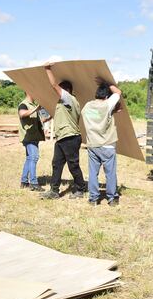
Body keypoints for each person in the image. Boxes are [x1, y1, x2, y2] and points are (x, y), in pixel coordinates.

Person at [41, 62, 88, 199]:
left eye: (61, 90)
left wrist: (47, 69)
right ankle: (54, 191)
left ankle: (80, 189)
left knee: (73, 165)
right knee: (56, 164)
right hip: (62, 137)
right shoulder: (64, 103)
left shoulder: (69, 98)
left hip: (70, 137)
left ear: (66, 90)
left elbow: (54, 85)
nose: (57, 92)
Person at [82, 78, 122, 206]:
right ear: (106, 96)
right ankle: (111, 199)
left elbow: (97, 116)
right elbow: (118, 92)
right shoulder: (107, 104)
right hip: (107, 144)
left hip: (93, 144)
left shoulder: (87, 106)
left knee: (93, 173)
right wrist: (108, 83)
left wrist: (112, 113)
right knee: (110, 173)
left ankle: (93, 199)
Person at [18, 91, 49, 191]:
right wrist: (36, 109)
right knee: (34, 157)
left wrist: (50, 116)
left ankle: (24, 181)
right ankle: (34, 183)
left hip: (34, 137)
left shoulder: (33, 105)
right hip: (29, 137)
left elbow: (39, 120)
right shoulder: (24, 104)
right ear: (29, 92)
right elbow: (22, 114)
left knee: (29, 158)